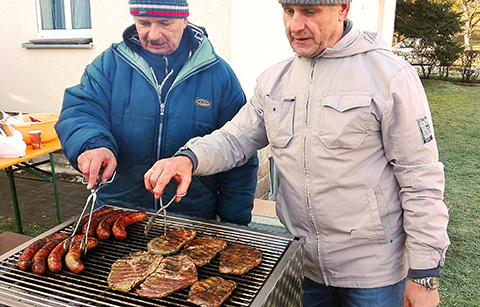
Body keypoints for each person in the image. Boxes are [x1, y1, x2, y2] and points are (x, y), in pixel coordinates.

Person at [146, 0, 451, 306]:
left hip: (373, 276)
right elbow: (234, 138)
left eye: (310, 11)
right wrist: (188, 158)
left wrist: (424, 275)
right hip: (301, 264)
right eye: (289, 11)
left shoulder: (390, 77)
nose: (295, 25)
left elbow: (420, 178)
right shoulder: (274, 81)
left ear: (342, 9)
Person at [55, 0, 259, 225]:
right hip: (115, 213)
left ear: (184, 19)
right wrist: (92, 144)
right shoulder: (109, 65)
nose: (153, 34)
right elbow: (80, 111)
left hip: (192, 220)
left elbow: (239, 151)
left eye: (164, 23)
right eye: (143, 23)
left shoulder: (218, 75)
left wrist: (235, 223)